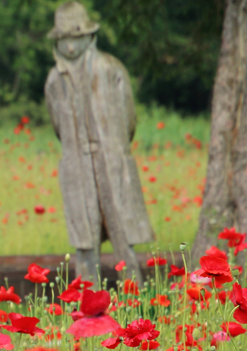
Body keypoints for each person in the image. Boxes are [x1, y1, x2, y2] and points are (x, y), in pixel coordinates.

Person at [44, 1, 154, 284]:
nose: (70, 47)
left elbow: (128, 117)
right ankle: (88, 306)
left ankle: (137, 300)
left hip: (111, 159)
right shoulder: (55, 79)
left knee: (122, 235)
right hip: (77, 164)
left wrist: (114, 147)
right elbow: (58, 123)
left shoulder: (109, 68)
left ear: (88, 37)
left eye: (75, 38)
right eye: (65, 40)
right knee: (84, 241)